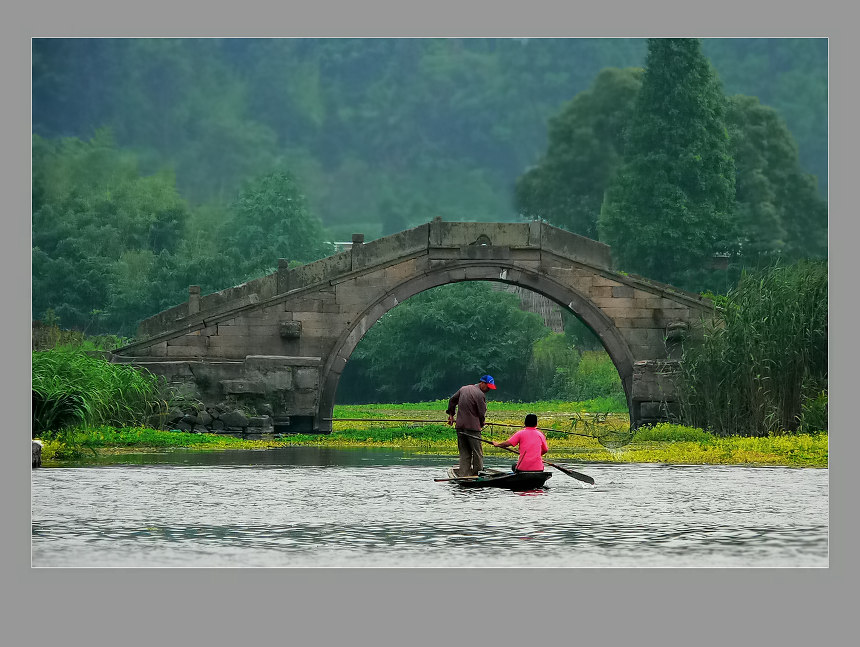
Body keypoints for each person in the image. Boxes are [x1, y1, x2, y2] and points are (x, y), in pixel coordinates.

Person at [446, 375, 496, 477]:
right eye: (488, 387)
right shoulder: (480, 394)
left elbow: (452, 400)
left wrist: (451, 415)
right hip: (473, 428)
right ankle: (477, 474)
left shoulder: (463, 389)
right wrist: (482, 423)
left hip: (460, 427)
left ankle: (464, 474)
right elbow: (481, 413)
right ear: (482, 383)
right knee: (477, 452)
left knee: (464, 453)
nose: (488, 390)